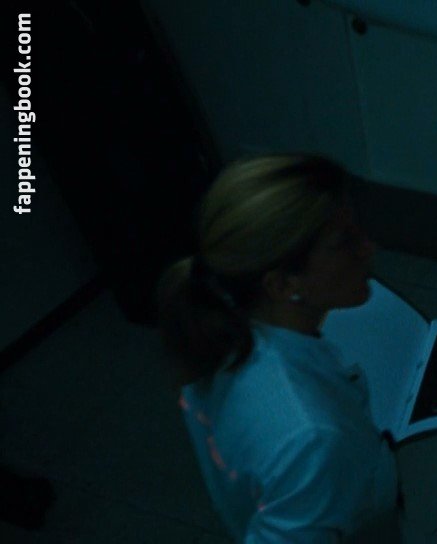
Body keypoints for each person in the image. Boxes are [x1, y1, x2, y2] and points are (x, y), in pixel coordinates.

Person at [155, 154, 401, 542]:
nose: (369, 247)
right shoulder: (311, 439)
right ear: (283, 285)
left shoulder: (222, 327)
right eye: (345, 242)